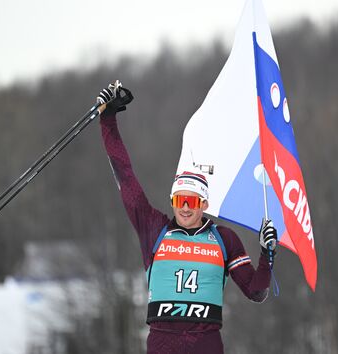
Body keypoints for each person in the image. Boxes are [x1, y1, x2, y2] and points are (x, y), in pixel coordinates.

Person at [96, 81, 278, 354]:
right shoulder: (154, 229)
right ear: (172, 201)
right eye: (179, 200)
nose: (185, 208)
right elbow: (125, 175)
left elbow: (256, 292)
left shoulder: (223, 239)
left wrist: (267, 254)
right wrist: (107, 120)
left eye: (192, 201)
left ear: (204, 203)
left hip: (206, 345)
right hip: (162, 344)